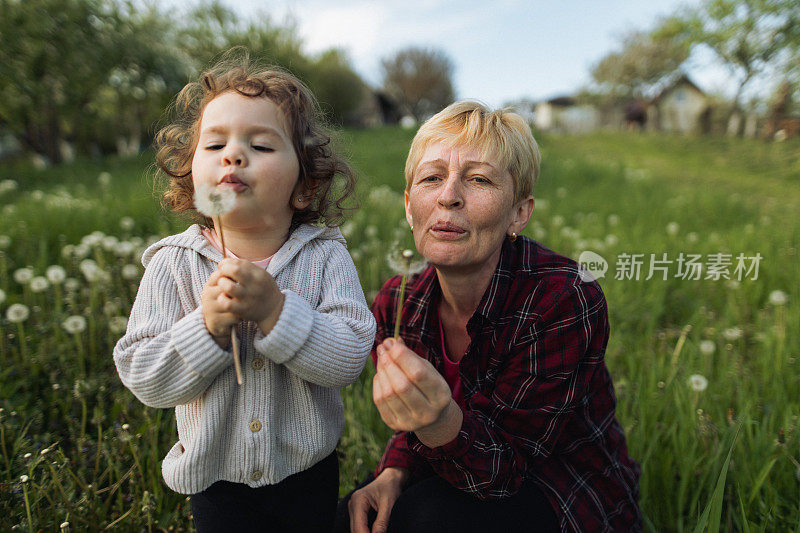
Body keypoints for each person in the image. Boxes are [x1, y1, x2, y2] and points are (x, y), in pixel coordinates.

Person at [336, 101, 641, 532]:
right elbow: (413, 426)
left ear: (519, 212)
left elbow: (508, 470)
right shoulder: (396, 304)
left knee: (423, 518)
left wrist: (439, 422)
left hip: (559, 490)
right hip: (452, 461)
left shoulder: (564, 299)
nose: (448, 196)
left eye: (478, 179)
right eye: (431, 178)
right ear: (409, 207)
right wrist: (393, 474)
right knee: (356, 514)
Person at [113, 50, 376, 533]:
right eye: (214, 146)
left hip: (306, 474)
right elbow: (144, 377)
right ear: (189, 177)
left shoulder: (324, 256)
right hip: (217, 482)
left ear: (304, 185)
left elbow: (349, 358)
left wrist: (278, 312)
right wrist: (206, 329)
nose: (233, 155)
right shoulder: (176, 263)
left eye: (260, 145)